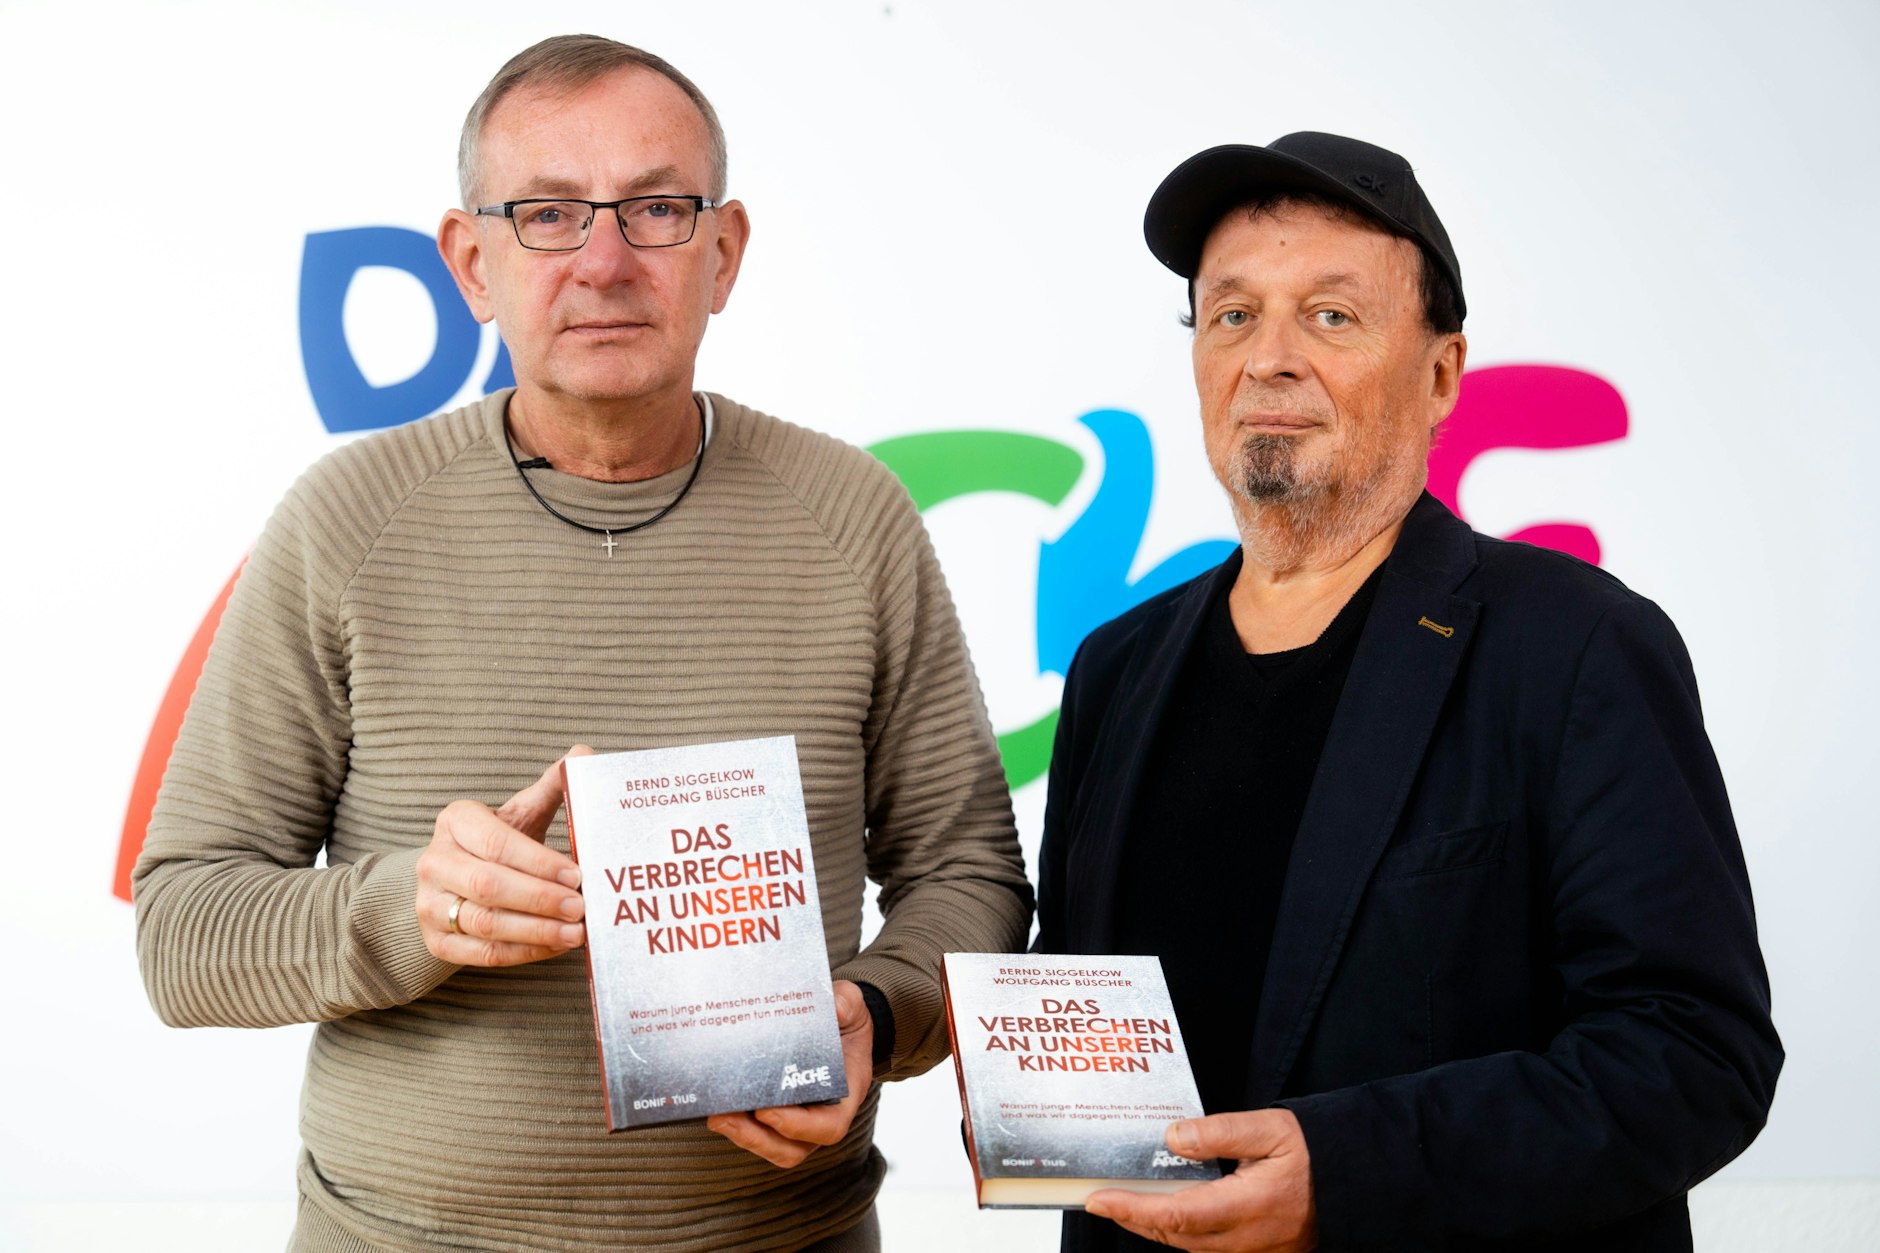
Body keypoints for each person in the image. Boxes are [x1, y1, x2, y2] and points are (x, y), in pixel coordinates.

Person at [133, 34, 1031, 1253]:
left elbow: (968, 876)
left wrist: (878, 1010)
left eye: (657, 209)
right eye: (547, 213)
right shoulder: (347, 519)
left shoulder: (852, 515)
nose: (604, 262)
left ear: (724, 252)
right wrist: (411, 910)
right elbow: (183, 932)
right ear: (471, 262)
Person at [1035, 132, 1781, 1252]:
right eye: (1231, 314)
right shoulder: (1118, 666)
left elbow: (1692, 1052)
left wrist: (1344, 1171)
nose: (1267, 358)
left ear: (1439, 375)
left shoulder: (1577, 646)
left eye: (1329, 316)